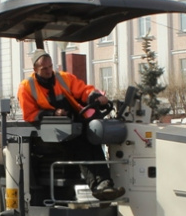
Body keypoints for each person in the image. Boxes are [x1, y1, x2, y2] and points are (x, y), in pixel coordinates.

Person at [16, 49, 124, 200]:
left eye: (50, 67)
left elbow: (83, 90)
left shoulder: (63, 78)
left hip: (71, 126)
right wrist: (53, 114)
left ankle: (105, 183)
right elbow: (30, 115)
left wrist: (95, 96)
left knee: (92, 138)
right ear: (35, 70)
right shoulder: (26, 87)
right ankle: (97, 186)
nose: (48, 71)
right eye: (44, 69)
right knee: (81, 143)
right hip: (46, 136)